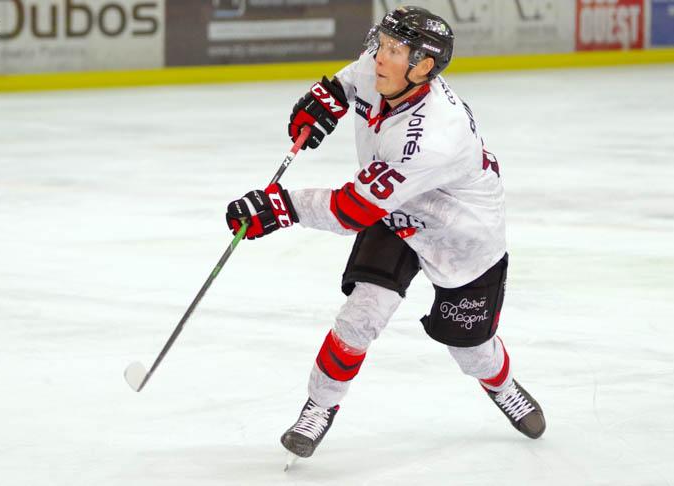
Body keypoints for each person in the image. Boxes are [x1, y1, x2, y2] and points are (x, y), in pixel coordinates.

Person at [225, 6, 546, 462]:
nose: (380, 56)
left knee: (470, 349)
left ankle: (503, 386)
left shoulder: (435, 136)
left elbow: (350, 211)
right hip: (395, 212)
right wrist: (326, 100)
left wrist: (281, 207)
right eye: (384, 44)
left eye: (395, 50)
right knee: (359, 317)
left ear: (423, 67)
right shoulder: (381, 68)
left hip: (461, 234)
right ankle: (319, 407)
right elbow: (348, 81)